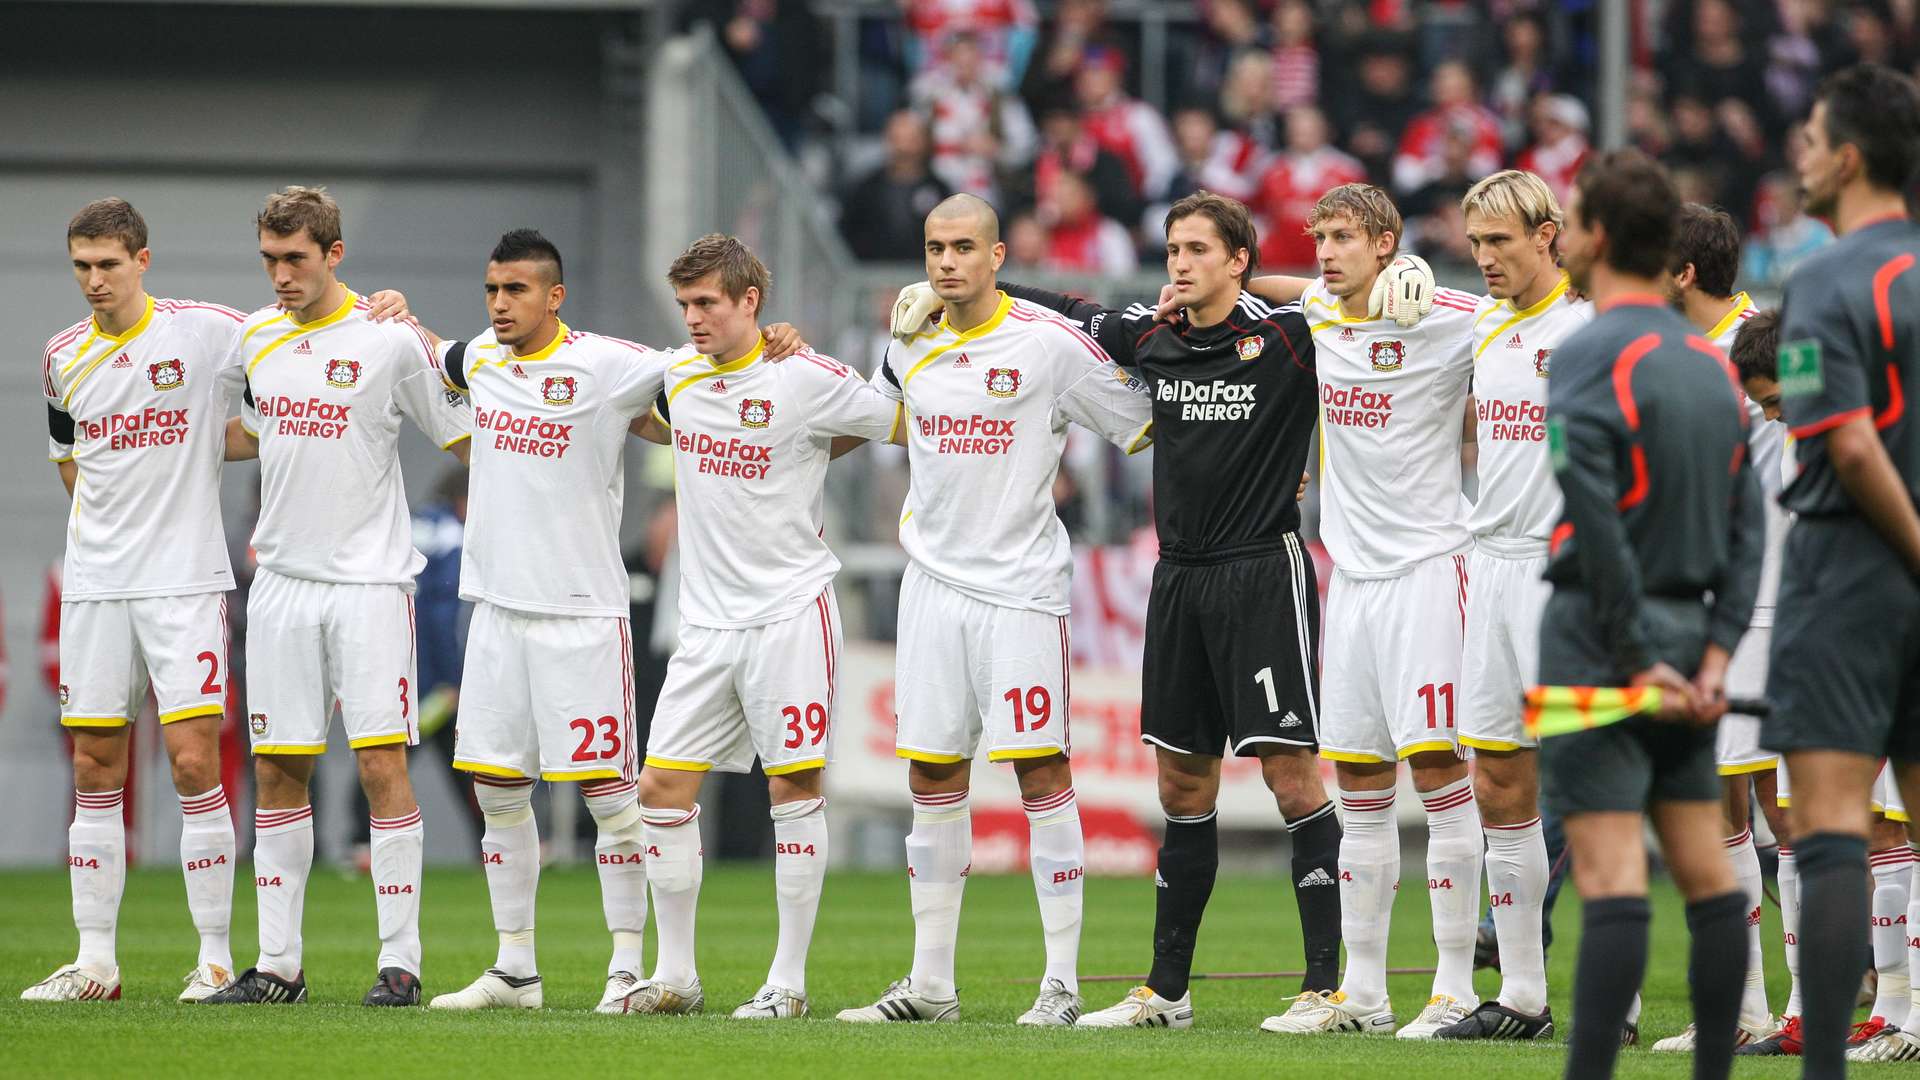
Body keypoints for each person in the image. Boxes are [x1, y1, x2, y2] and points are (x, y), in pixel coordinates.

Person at [993, 189, 1353, 1030]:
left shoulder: (1291, 338)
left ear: (1238, 260)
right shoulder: (1152, 337)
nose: (1180, 264)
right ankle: (1167, 992)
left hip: (1262, 570)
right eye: (1172, 250)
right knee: (1181, 780)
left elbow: (1354, 292)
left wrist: (1290, 287)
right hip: (1179, 579)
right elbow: (1070, 310)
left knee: (1290, 773)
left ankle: (1327, 988)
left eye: (1198, 250)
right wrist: (962, 297)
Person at [421, 230, 802, 1014]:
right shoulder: (482, 360)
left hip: (582, 615)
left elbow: (706, 363)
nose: (500, 304)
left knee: (609, 795)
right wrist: (395, 314)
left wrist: (779, 340)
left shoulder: (610, 364)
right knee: (497, 790)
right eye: (492, 290)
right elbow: (440, 353)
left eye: (517, 290)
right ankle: (514, 969)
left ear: (554, 296)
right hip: (494, 611)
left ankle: (627, 965)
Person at [836, 194, 1154, 1027]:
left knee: (1040, 770)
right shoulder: (912, 338)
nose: (945, 262)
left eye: (963, 247)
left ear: (998, 255)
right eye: (935, 246)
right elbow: (880, 420)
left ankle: (1061, 984)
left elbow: (1143, 425)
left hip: (1020, 590)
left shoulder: (1049, 347)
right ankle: (930, 984)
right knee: (932, 774)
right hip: (932, 587)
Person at [204, 187, 470, 1008]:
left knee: (381, 763)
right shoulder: (255, 338)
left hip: (368, 584)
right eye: (270, 259)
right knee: (279, 767)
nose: (281, 275)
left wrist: (424, 331)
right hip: (280, 583)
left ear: (334, 253)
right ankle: (278, 964)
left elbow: (459, 428)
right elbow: (250, 431)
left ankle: (401, 963)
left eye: (296, 258)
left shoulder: (387, 338)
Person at [621, 235, 899, 1018]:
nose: (694, 318)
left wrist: (808, 448)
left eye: (707, 302)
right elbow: (655, 421)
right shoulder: (679, 374)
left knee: (794, 787)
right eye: (685, 305)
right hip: (706, 624)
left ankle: (788, 983)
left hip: (789, 612)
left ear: (751, 302)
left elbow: (894, 423)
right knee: (660, 788)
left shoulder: (804, 377)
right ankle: (675, 974)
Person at [1536, 148, 1762, 1080]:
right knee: (1708, 877)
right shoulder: (1714, 365)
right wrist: (1713, 653)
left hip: (1598, 635)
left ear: (1591, 234)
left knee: (1609, 876)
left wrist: (1633, 653)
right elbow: (1748, 525)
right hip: (1689, 634)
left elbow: (1590, 511)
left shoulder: (1585, 349)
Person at [1258, 184, 1486, 1040]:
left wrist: (1431, 267)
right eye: (1320, 236)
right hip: (1350, 581)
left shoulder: (1440, 313)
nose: (1327, 250)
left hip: (1430, 570)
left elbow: (1531, 304)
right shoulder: (1319, 305)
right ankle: (1363, 993)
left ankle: (1456, 987)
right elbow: (1290, 291)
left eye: (1345, 236)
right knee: (1358, 783)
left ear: (1386, 243)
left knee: (1439, 775)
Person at [29, 199, 244, 1004]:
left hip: (184, 581)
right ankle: (95, 964)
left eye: (108, 265)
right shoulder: (60, 355)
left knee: (192, 762)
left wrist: (380, 307)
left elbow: (303, 332)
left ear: (142, 262)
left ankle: (216, 957)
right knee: (94, 763)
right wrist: (109, 522)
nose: (94, 280)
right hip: (95, 585)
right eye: (82, 265)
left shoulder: (205, 330)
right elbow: (66, 455)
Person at [1760, 62, 1920, 1078]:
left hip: (1852, 574)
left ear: (1850, 157)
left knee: (1826, 835)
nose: (1800, 155)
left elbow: (1850, 445)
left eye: (1812, 139)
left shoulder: (1825, 276)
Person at [1420, 169, 1589, 1042]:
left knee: (1596, 785)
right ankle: (1524, 995)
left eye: (1501, 242)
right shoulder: (1479, 323)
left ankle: (1619, 1000)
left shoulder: (1591, 327)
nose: (1485, 259)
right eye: (1475, 243)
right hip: (1489, 566)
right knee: (1498, 778)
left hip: (1567, 575)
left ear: (1549, 235)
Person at [1654, 203, 1787, 1053]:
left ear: (1683, 272)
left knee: (1788, 805)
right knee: (1725, 807)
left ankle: (1817, 1004)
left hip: (1776, 600)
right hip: (1719, 608)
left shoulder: (1764, 346)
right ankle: (1746, 1011)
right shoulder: (1678, 352)